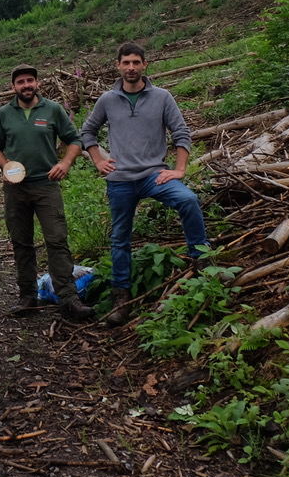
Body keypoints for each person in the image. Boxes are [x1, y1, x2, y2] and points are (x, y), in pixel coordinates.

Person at [80, 43, 209, 327]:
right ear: (117, 66)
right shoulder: (107, 100)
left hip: (154, 175)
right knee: (120, 238)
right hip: (121, 180)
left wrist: (179, 169)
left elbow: (181, 132)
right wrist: (98, 160)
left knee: (187, 200)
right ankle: (121, 297)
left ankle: (203, 264)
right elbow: (87, 131)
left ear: (145, 65)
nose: (131, 67)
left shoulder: (162, 97)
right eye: (126, 62)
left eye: (136, 62)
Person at [0, 63, 94, 321]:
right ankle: (27, 297)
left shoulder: (53, 110)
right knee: (21, 242)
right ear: (13, 87)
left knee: (57, 240)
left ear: (38, 83)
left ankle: (69, 299)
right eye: (20, 82)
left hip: (46, 186)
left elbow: (75, 140)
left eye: (30, 80)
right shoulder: (4, 114)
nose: (26, 85)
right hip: (16, 189)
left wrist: (65, 163)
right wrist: (6, 166)